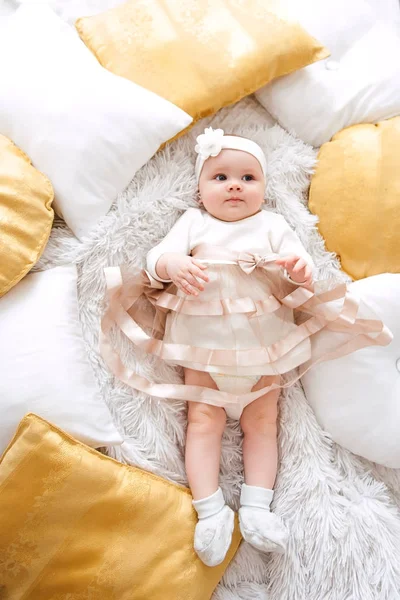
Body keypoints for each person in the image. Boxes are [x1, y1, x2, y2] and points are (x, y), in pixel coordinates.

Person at [100, 128, 392, 567]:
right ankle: (210, 511)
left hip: (265, 346)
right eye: (220, 177)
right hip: (203, 346)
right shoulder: (193, 223)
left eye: (247, 178)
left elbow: (302, 267)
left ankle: (257, 506)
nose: (234, 185)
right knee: (203, 420)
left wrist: (299, 267)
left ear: (264, 188)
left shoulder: (274, 225)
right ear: (200, 190)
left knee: (263, 422)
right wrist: (174, 264)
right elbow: (154, 260)